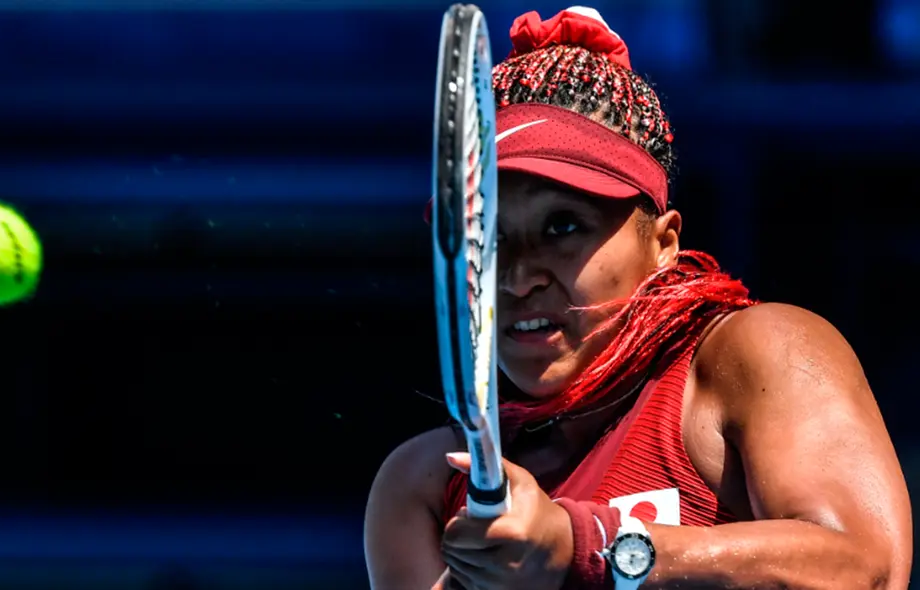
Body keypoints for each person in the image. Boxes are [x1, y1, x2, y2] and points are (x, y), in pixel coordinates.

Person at [365, 6, 912, 590]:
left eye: (562, 227)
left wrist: (588, 544)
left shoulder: (761, 354)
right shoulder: (421, 489)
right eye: (489, 236)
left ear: (663, 243)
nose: (518, 277)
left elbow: (866, 567)